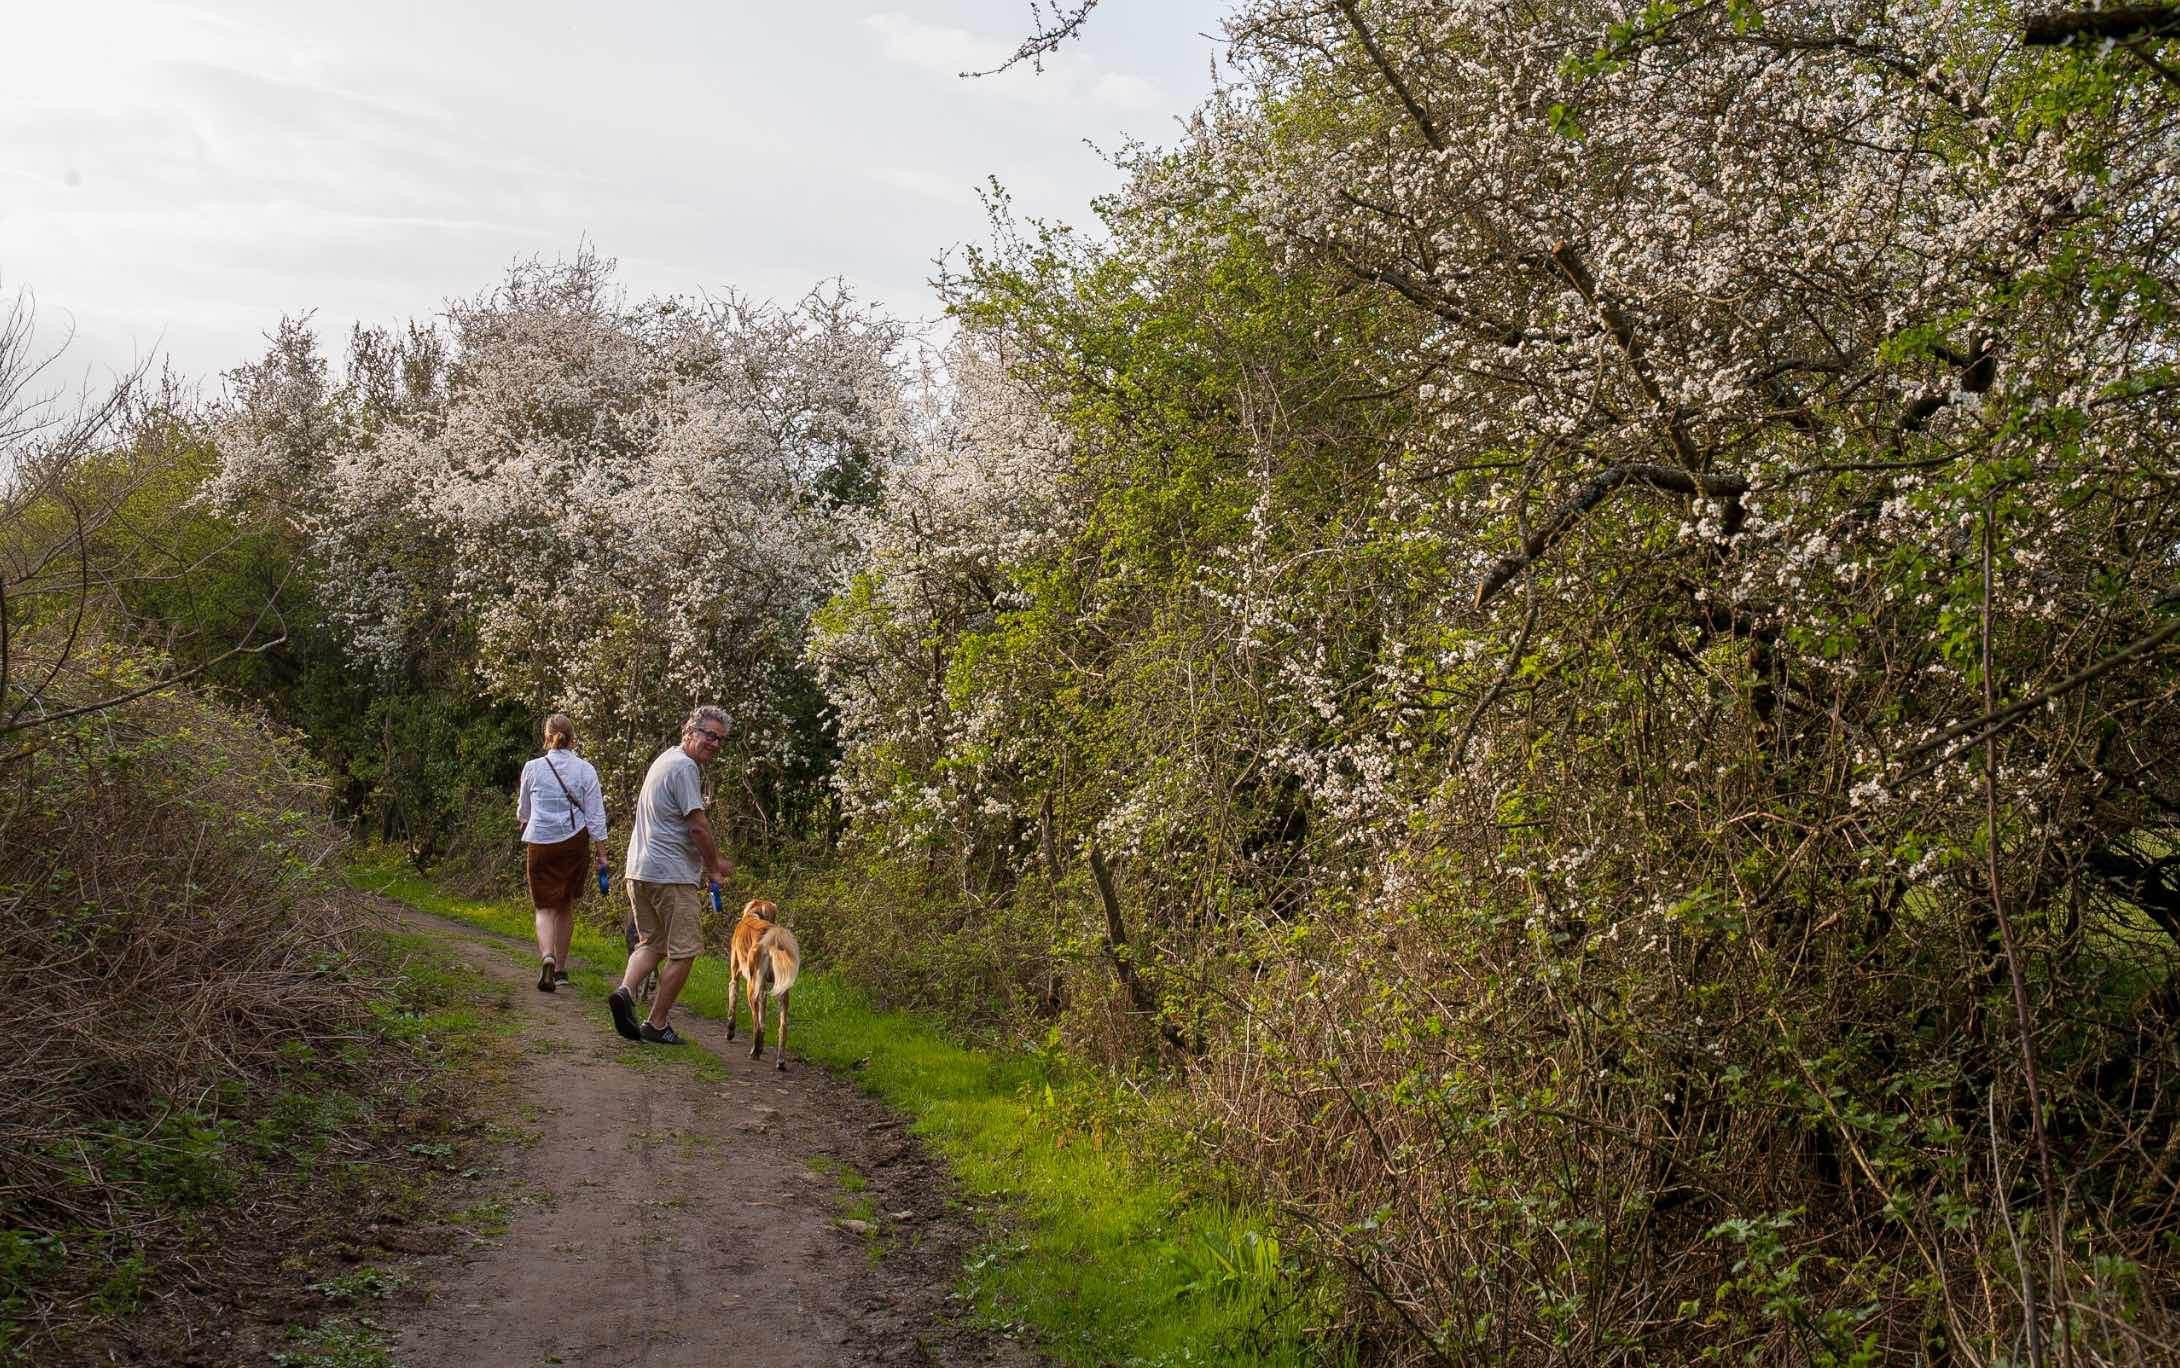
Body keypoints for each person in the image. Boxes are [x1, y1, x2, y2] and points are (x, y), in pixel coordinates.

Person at [608, 705, 735, 1045]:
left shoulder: (665, 759)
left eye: (721, 739)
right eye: (710, 735)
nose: (715, 744)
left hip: (640, 870)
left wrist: (713, 862)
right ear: (689, 731)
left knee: (653, 943)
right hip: (670, 876)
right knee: (685, 950)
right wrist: (712, 869)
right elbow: (697, 826)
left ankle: (624, 992)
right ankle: (657, 1023)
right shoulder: (684, 768)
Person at [515, 713, 609, 993]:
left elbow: (524, 811)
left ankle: (547, 956)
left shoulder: (532, 768)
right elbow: (595, 815)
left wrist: (527, 819)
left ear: (546, 737)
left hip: (540, 842)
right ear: (573, 738)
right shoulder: (585, 769)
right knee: (565, 904)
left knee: (544, 905)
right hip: (573, 843)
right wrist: (602, 852)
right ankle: (561, 970)